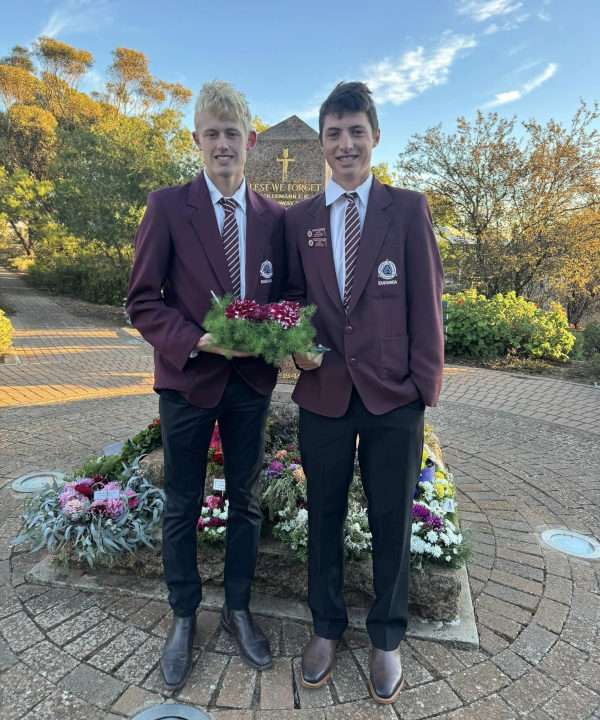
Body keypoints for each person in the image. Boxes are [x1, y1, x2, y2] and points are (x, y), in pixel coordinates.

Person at [286, 81, 444, 704]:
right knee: (322, 516)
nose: (345, 144)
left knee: (389, 521)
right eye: (334, 133)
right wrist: (291, 344)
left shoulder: (407, 210)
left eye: (356, 131)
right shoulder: (300, 220)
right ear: (323, 143)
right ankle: (325, 627)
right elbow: (291, 302)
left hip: (392, 398)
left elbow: (426, 303)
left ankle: (385, 637)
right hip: (323, 392)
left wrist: (421, 390)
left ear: (375, 136)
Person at [127, 81, 285, 690]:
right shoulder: (168, 207)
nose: (222, 145)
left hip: (250, 385)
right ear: (196, 141)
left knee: (245, 501)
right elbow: (142, 301)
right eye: (211, 134)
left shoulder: (276, 219)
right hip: (187, 382)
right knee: (182, 503)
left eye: (232, 135)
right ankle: (184, 615)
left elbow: (290, 299)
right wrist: (198, 339)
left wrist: (284, 340)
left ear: (251, 142)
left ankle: (238, 610)